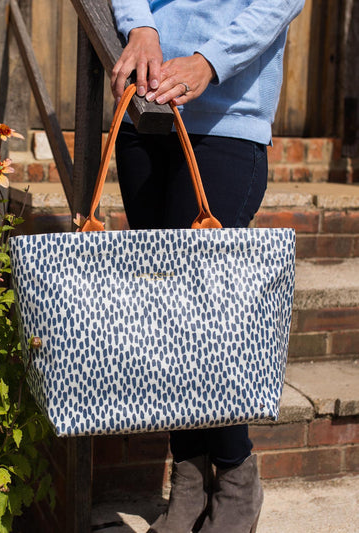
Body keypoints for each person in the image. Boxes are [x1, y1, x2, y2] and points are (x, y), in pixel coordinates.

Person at [110, 1, 305, 532]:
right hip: (145, 112)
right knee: (164, 318)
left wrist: (209, 60)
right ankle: (190, 487)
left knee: (203, 316)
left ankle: (237, 475)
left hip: (227, 116)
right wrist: (141, 26)